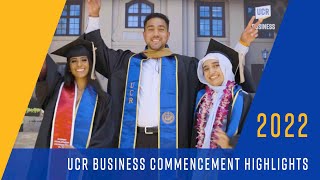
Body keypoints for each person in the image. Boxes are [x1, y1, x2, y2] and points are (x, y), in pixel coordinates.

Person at [83, 0, 262, 148]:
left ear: (168, 35)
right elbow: (99, 55)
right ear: (144, 34)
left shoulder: (186, 66)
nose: (156, 33)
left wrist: (242, 45)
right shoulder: (126, 62)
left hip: (172, 143)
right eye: (151, 29)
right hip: (132, 141)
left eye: (161, 29)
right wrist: (93, 16)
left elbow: (220, 73)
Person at [35, 38, 114, 148]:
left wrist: (83, 156)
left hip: (83, 162)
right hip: (51, 159)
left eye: (84, 60)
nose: (79, 65)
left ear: (91, 64)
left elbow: (105, 137)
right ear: (69, 67)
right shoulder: (57, 88)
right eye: (74, 61)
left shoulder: (103, 100)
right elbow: (45, 71)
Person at [192, 39, 252, 149]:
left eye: (216, 65)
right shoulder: (201, 97)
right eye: (206, 69)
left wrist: (230, 144)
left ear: (226, 67)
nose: (211, 72)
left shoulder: (242, 98)